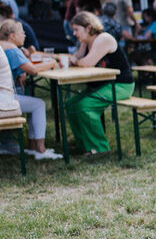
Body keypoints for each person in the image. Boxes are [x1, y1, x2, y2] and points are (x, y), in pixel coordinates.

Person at [64, 11, 135, 154]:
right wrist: (77, 58)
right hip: (104, 85)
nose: (74, 34)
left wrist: (76, 60)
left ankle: (99, 148)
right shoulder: (87, 41)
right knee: (71, 104)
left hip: (120, 85)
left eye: (77, 29)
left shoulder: (104, 38)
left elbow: (85, 63)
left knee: (85, 106)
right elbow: (76, 59)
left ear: (89, 27)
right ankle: (84, 143)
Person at [0, 19, 62, 159]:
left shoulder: (4, 47)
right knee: (38, 104)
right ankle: (40, 149)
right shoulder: (12, 49)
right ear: (12, 36)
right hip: (5, 100)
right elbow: (33, 70)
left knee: (34, 103)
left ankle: (33, 147)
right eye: (22, 32)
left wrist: (21, 72)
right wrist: (52, 62)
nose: (25, 35)